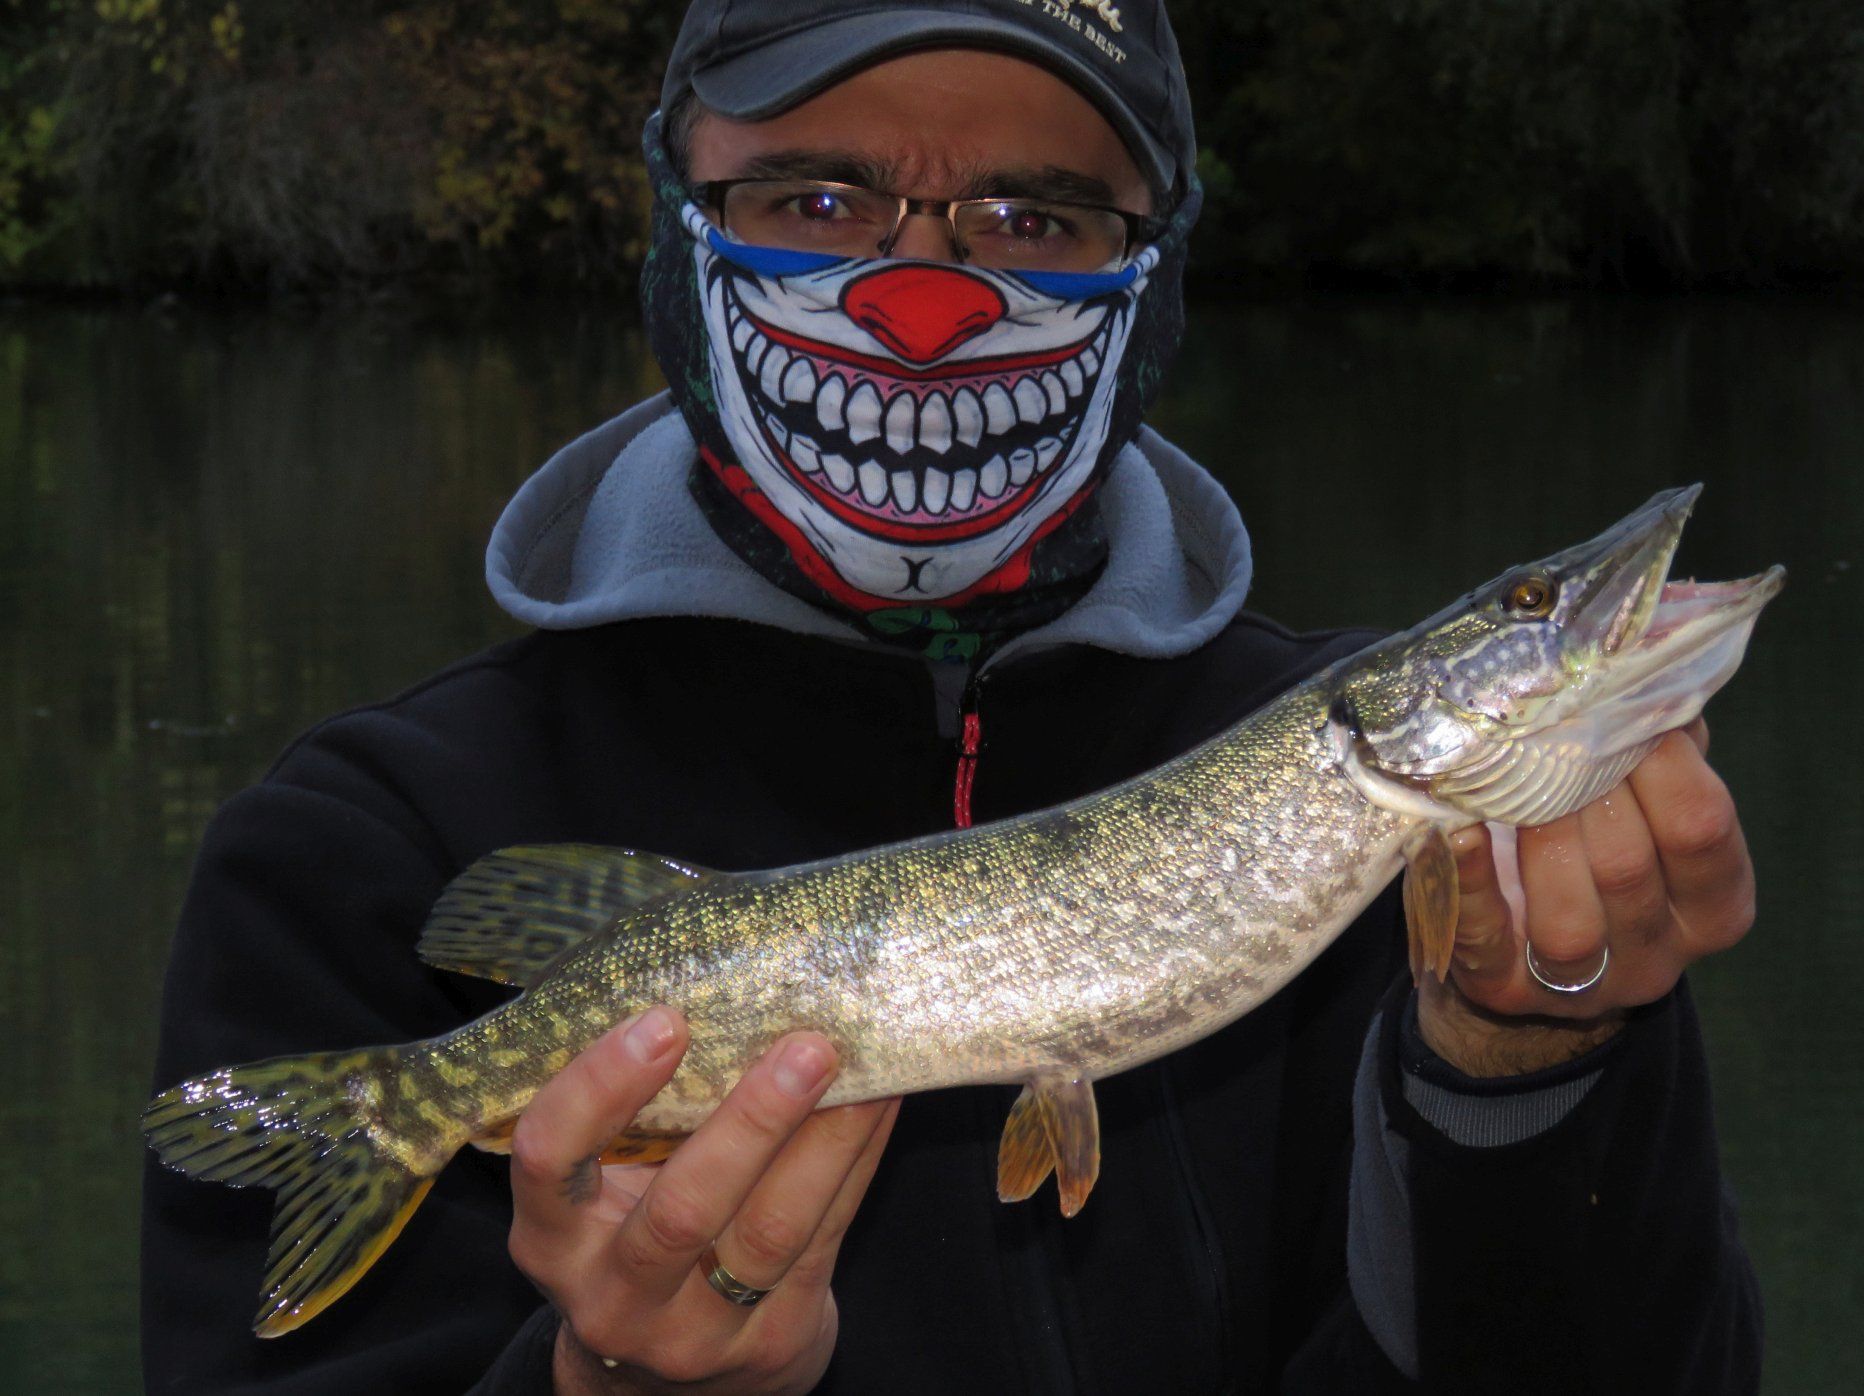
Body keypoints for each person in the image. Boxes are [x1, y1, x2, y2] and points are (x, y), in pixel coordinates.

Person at [141, 2, 1764, 1392]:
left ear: (1158, 272)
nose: (924, 303)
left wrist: (1519, 1083)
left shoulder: (1465, 884)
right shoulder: (357, 857)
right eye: (817, 198)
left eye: (1034, 219)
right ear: (673, 224)